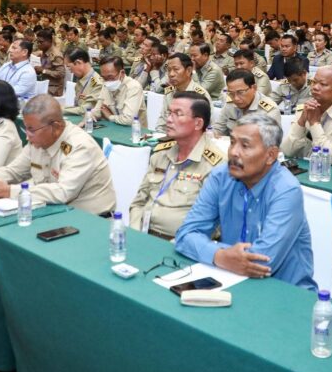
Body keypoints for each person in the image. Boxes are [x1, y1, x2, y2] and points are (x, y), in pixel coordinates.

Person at [175, 112, 316, 290]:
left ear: (271, 155)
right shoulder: (221, 176)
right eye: (232, 142)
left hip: (285, 292)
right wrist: (220, 255)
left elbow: (262, 262)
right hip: (230, 278)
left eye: (245, 145)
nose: (233, 152)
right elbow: (185, 235)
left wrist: (213, 252)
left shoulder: (286, 190)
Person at [0, 95, 117, 215]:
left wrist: (8, 191)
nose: (27, 136)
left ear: (56, 127)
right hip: (53, 211)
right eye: (26, 129)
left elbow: (63, 192)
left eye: (32, 130)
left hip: (89, 220)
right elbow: (14, 171)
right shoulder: (37, 141)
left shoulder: (79, 146)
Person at [129, 92, 225, 239]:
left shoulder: (216, 165)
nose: (168, 119)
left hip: (181, 242)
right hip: (144, 234)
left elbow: (214, 223)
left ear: (198, 123)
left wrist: (181, 242)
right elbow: (139, 201)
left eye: (178, 114)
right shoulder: (161, 154)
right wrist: (136, 233)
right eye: (169, 113)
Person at [280, 65, 332, 168]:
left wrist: (314, 124)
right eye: (314, 82)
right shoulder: (305, 109)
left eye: (323, 84)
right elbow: (287, 151)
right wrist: (301, 122)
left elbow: (329, 158)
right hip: (305, 169)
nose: (315, 87)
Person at [153, 53, 212, 133]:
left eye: (176, 69)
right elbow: (162, 123)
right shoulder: (169, 92)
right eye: (169, 70)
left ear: (188, 71)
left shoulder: (200, 95)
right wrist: (158, 136)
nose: (171, 74)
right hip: (169, 137)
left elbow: (205, 128)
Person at [212, 70, 281, 137]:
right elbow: (218, 129)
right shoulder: (230, 103)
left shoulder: (269, 110)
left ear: (254, 88)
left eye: (240, 92)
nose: (236, 98)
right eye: (231, 93)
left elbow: (267, 141)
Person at [93, 56, 146, 127]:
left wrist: (110, 116)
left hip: (135, 130)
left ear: (122, 73)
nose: (107, 81)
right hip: (115, 127)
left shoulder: (133, 87)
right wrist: (90, 115)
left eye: (110, 77)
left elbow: (128, 119)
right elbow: (98, 109)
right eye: (104, 78)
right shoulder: (106, 85)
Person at [62, 48, 105, 115]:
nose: (70, 71)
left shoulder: (96, 83)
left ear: (78, 63)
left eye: (69, 67)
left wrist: (61, 110)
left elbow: (87, 109)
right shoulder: (82, 79)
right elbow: (78, 106)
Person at [32, 29, 65, 97]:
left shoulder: (56, 55)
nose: (38, 44)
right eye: (37, 42)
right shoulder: (44, 51)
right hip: (45, 83)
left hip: (54, 88)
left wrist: (43, 71)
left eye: (41, 42)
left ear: (49, 41)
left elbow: (61, 73)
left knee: (35, 97)